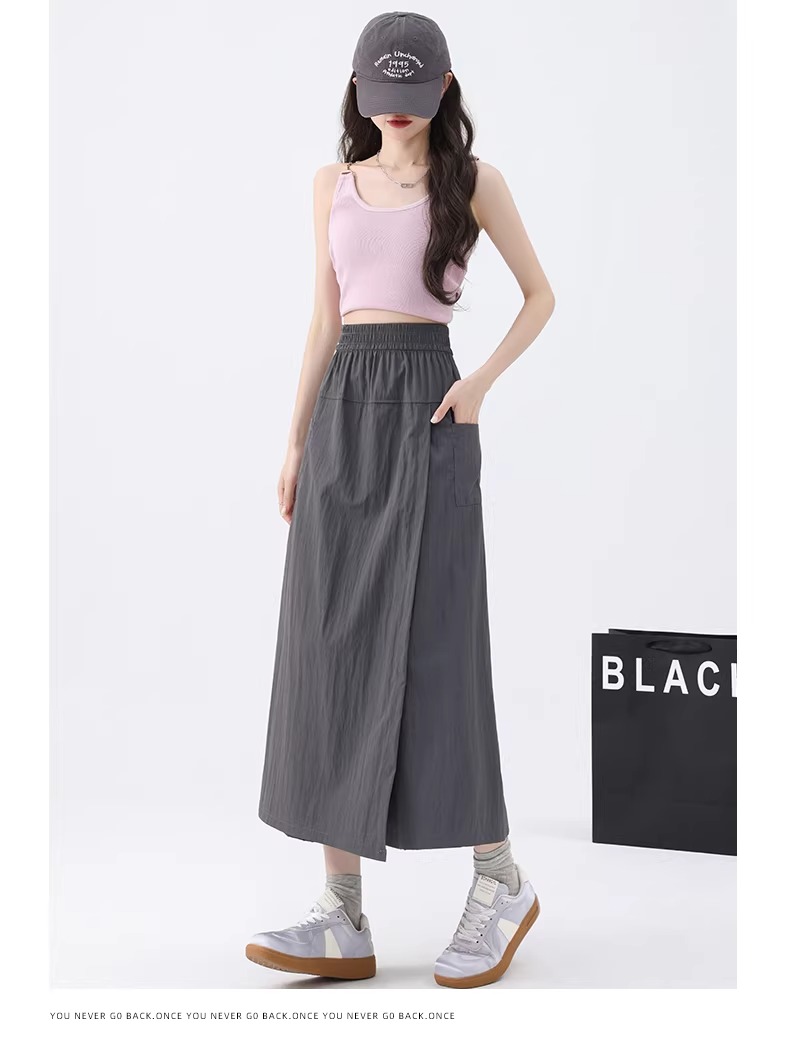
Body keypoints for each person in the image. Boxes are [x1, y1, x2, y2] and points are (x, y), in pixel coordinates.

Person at [246, 11, 555, 989]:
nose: (397, 114)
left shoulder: (474, 183)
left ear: (444, 89)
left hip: (431, 410)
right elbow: (324, 320)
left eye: (413, 97)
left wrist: (479, 385)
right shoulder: (330, 185)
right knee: (329, 643)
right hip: (344, 414)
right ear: (357, 92)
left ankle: (499, 880)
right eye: (381, 97)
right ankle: (341, 911)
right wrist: (296, 439)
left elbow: (541, 296)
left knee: (440, 645)